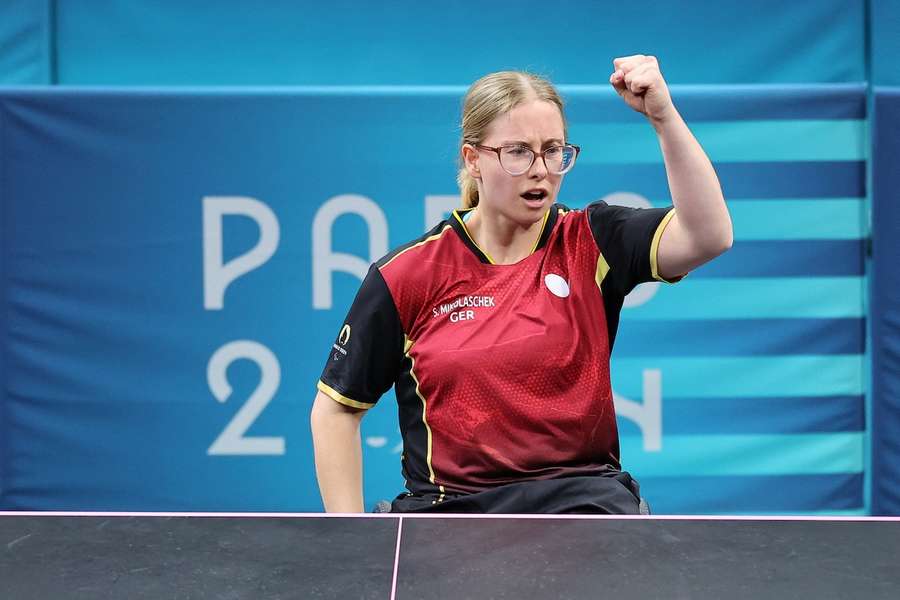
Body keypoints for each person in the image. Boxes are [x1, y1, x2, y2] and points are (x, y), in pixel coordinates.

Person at [310, 55, 732, 514]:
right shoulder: (407, 275)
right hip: (450, 516)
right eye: (517, 152)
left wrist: (663, 116)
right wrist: (350, 544)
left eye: (554, 150)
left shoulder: (591, 240)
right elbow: (336, 410)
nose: (540, 169)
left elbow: (708, 236)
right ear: (473, 159)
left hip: (582, 507)